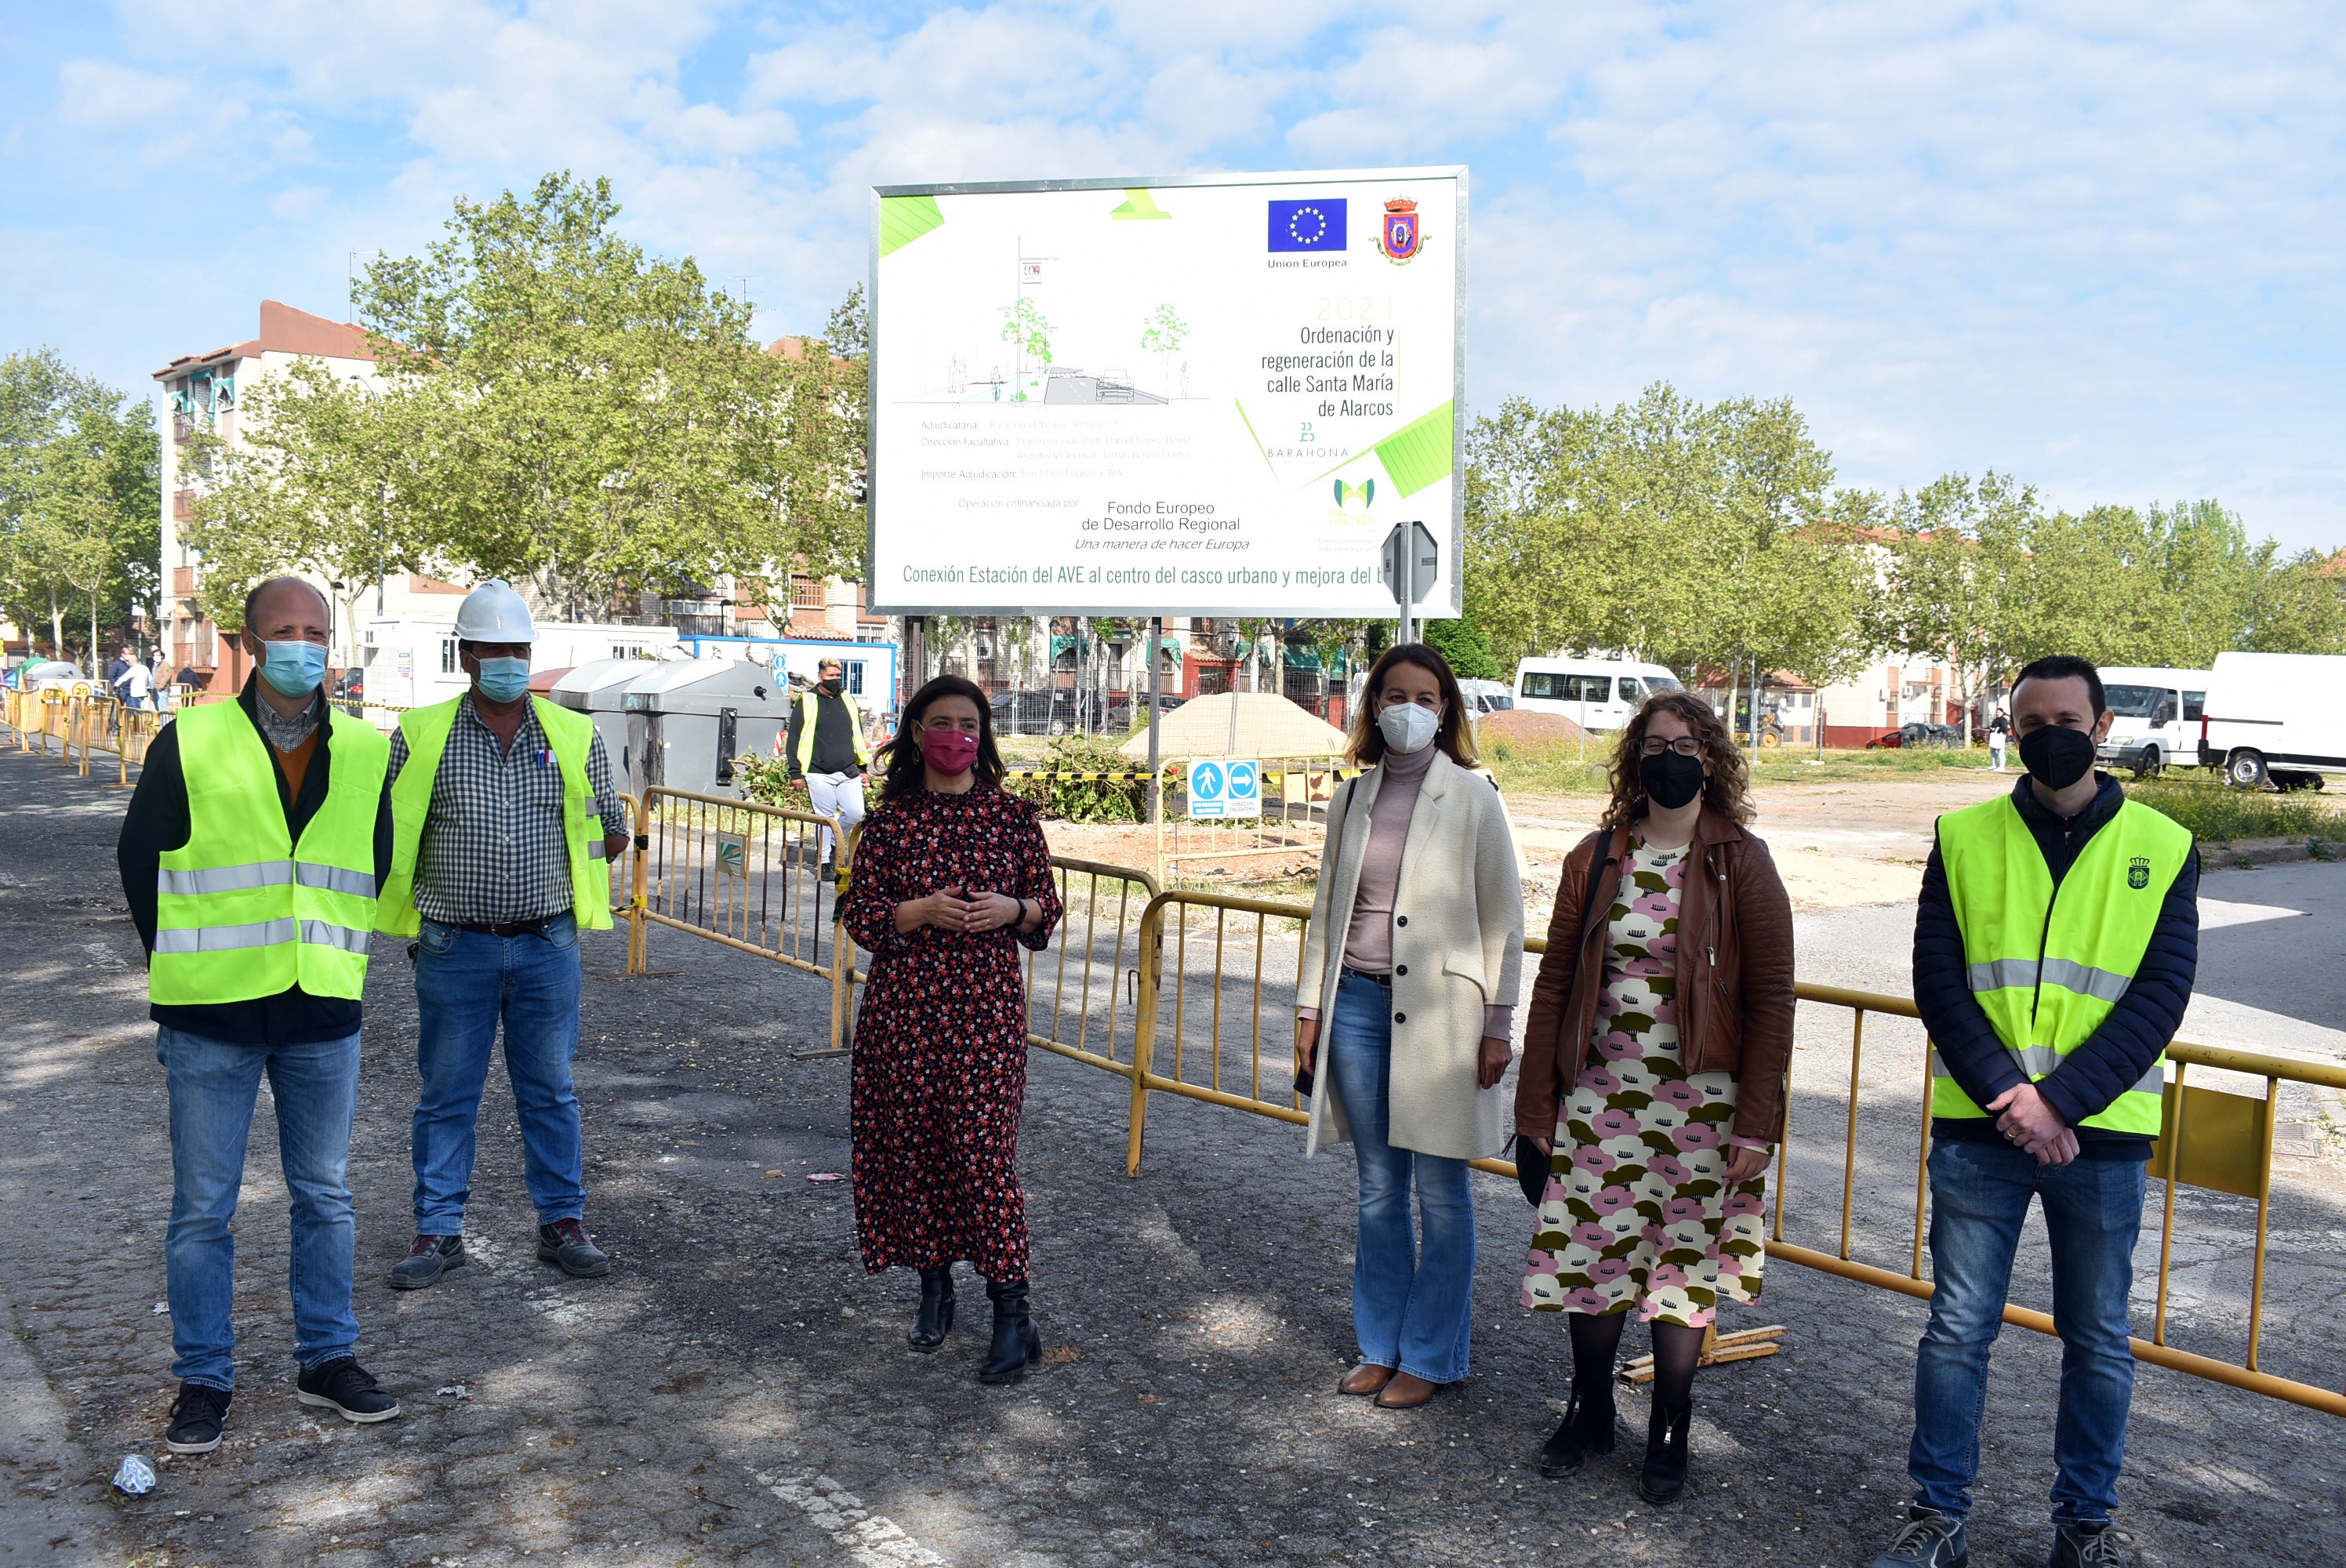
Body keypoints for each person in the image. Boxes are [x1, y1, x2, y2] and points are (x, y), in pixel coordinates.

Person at [1868, 655, 2197, 1568]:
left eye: (2066, 717)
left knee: (2097, 1339)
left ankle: (2083, 1527)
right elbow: (1938, 979)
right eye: (2029, 719)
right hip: (1982, 1128)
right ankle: (1937, 1520)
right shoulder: (1963, 833)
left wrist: (2057, 1101)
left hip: (2102, 1133)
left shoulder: (2164, 843)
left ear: (2100, 726)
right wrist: (2014, 1099)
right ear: (2009, 729)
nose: (2047, 733)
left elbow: (2158, 995)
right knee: (1956, 1329)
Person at [115, 576, 401, 1456]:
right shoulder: (190, 737)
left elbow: (375, 857)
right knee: (204, 1206)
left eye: (315, 630)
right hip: (212, 1010)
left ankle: (328, 1357)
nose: (302, 645)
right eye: (285, 630)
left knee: (326, 1195)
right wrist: (191, 956)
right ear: (249, 639)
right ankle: (204, 1375)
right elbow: (141, 859)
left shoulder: (362, 747)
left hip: (321, 1006)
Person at [1514, 691, 1792, 1503]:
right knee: (1592, 1261)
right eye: (1653, 743)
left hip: (1706, 1107)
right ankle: (1589, 1408)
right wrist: (1536, 1107)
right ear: (1633, 759)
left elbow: (1772, 998)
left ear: (1712, 760)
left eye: (1687, 744)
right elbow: (1556, 980)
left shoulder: (1741, 857)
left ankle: (1671, 1424)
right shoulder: (1596, 855)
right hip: (1601, 1098)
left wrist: (1758, 1126)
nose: (1668, 757)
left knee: (1683, 1269)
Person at [376, 579, 630, 1290]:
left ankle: (562, 1223)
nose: (508, 662)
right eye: (493, 651)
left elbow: (611, 831)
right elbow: (394, 837)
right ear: (467, 656)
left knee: (549, 1090)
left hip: (547, 944)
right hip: (455, 946)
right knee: (446, 1095)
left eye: (518, 649)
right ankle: (438, 1231)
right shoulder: (421, 733)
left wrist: (559, 855)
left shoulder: (573, 733)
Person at [1293, 643, 1526, 1410]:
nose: (1408, 707)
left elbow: (1504, 915)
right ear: (1372, 706)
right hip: (1356, 1005)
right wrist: (1308, 1008)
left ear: (1446, 710)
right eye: (1394, 693)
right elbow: (1327, 909)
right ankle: (1379, 1344)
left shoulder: (1472, 794)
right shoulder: (1351, 796)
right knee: (1376, 1190)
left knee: (1442, 1191)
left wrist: (1499, 1024)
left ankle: (1431, 1353)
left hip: (1444, 1016)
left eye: (1425, 696)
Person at [842, 674, 1063, 1383]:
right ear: (915, 731)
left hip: (986, 1018)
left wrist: (1015, 910)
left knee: (981, 1155)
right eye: (941, 721)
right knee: (915, 1152)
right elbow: (862, 917)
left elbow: (1046, 911)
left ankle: (1011, 1309)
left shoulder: (1011, 818)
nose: (956, 735)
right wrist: (917, 912)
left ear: (984, 735)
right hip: (903, 1016)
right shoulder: (888, 824)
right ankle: (933, 1287)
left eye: (969, 723)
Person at [786, 656, 870, 866]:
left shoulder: (848, 699)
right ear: (820, 677)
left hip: (848, 770)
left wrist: (862, 767)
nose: (835, 679)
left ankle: (834, 842)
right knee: (825, 818)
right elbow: (795, 737)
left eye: (838, 675)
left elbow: (857, 734)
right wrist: (795, 772)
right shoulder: (807, 701)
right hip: (818, 770)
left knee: (855, 812)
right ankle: (824, 861)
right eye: (830, 675)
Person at [1988, 706, 2010, 772]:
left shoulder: (2003, 720)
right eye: (1997, 712)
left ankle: (2001, 767)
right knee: (1993, 751)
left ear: (2002, 713)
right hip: (1995, 737)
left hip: (2001, 737)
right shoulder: (1996, 719)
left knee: (2001, 752)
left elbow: (2004, 728)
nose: (1997, 713)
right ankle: (1994, 765)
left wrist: (1997, 729)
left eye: (1999, 712)